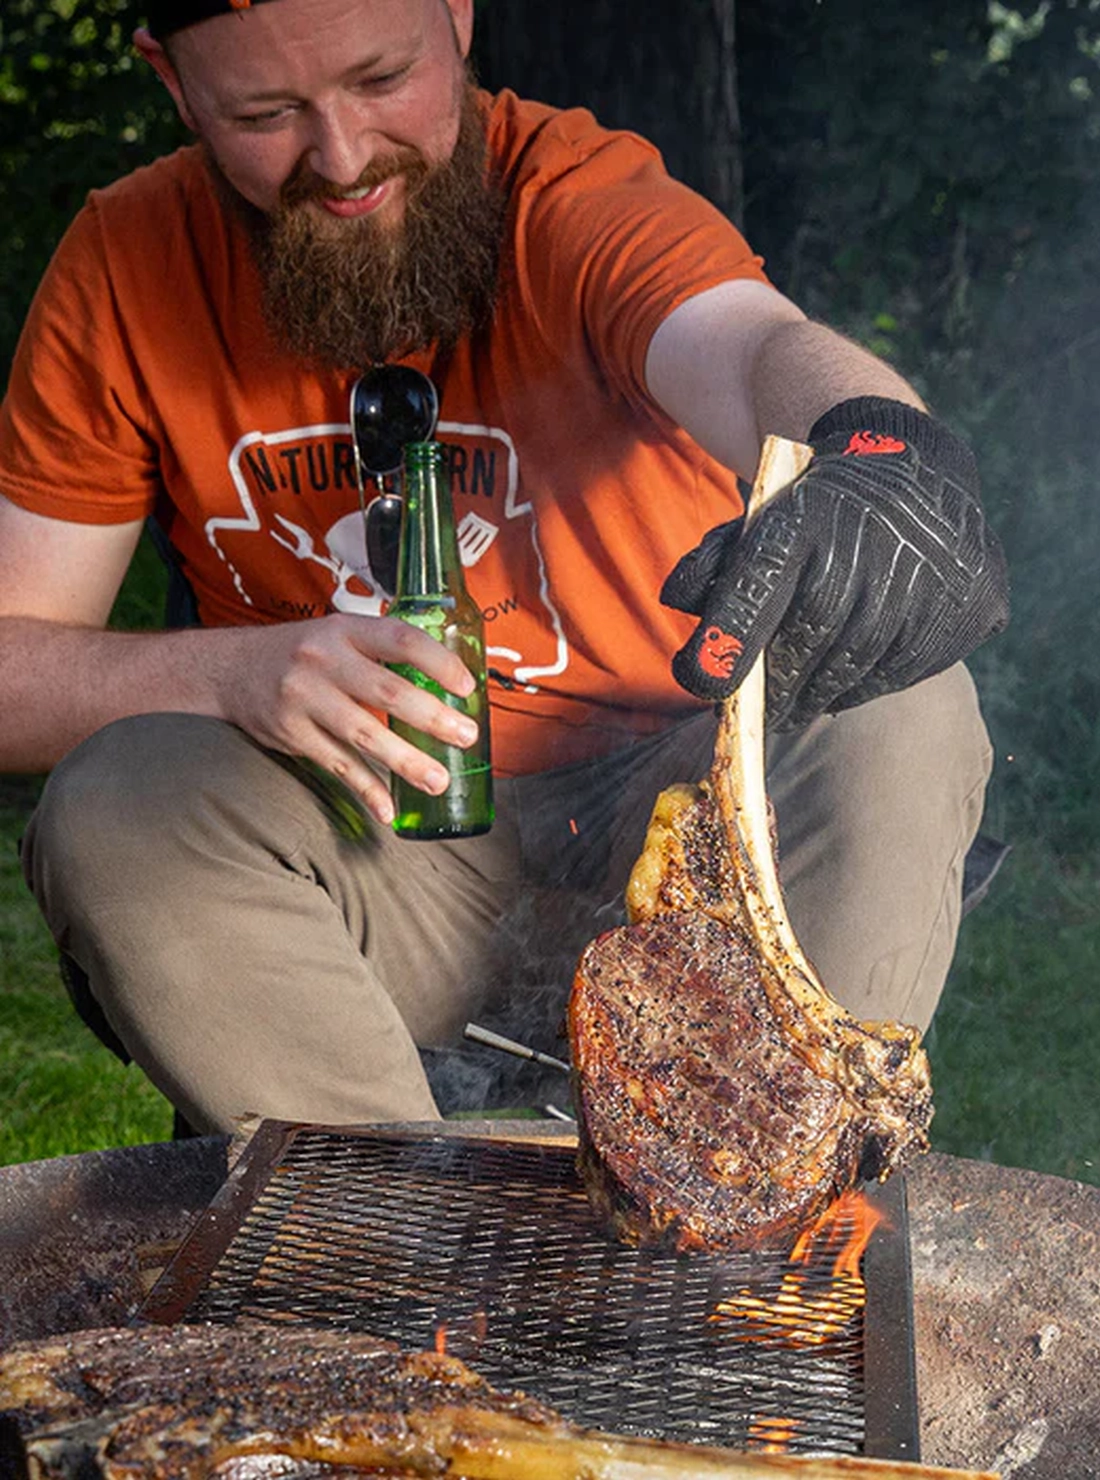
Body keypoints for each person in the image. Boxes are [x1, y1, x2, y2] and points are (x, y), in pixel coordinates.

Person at [0, 0, 1009, 1135]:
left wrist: (877, 443)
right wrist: (232, 675)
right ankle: (402, 1245)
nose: (338, 160)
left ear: (457, 13)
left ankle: (739, 1219)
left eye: (381, 79)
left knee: (905, 701)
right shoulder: (128, 265)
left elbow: (752, 346)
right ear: (172, 85)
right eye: (265, 113)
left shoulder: (573, 198)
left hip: (693, 840)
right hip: (381, 850)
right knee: (114, 804)